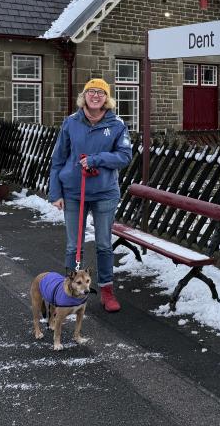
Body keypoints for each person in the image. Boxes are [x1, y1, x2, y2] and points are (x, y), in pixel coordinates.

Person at [49, 78, 133, 312]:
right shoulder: (71, 123)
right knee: (73, 246)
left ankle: (106, 291)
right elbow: (58, 160)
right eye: (91, 92)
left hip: (104, 193)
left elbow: (125, 156)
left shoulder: (117, 124)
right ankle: (69, 291)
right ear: (84, 96)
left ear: (107, 98)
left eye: (101, 92)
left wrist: (97, 159)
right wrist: (55, 192)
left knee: (104, 244)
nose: (95, 96)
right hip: (74, 193)